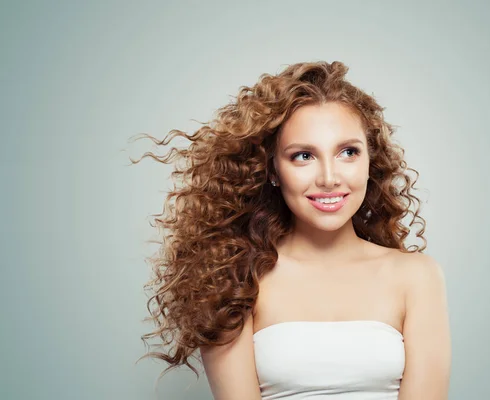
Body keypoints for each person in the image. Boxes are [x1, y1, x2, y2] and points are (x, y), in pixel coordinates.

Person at [132, 60, 451, 399]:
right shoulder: (236, 281)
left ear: (370, 160)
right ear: (273, 170)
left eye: (348, 152)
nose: (329, 178)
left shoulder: (417, 277)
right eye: (303, 156)